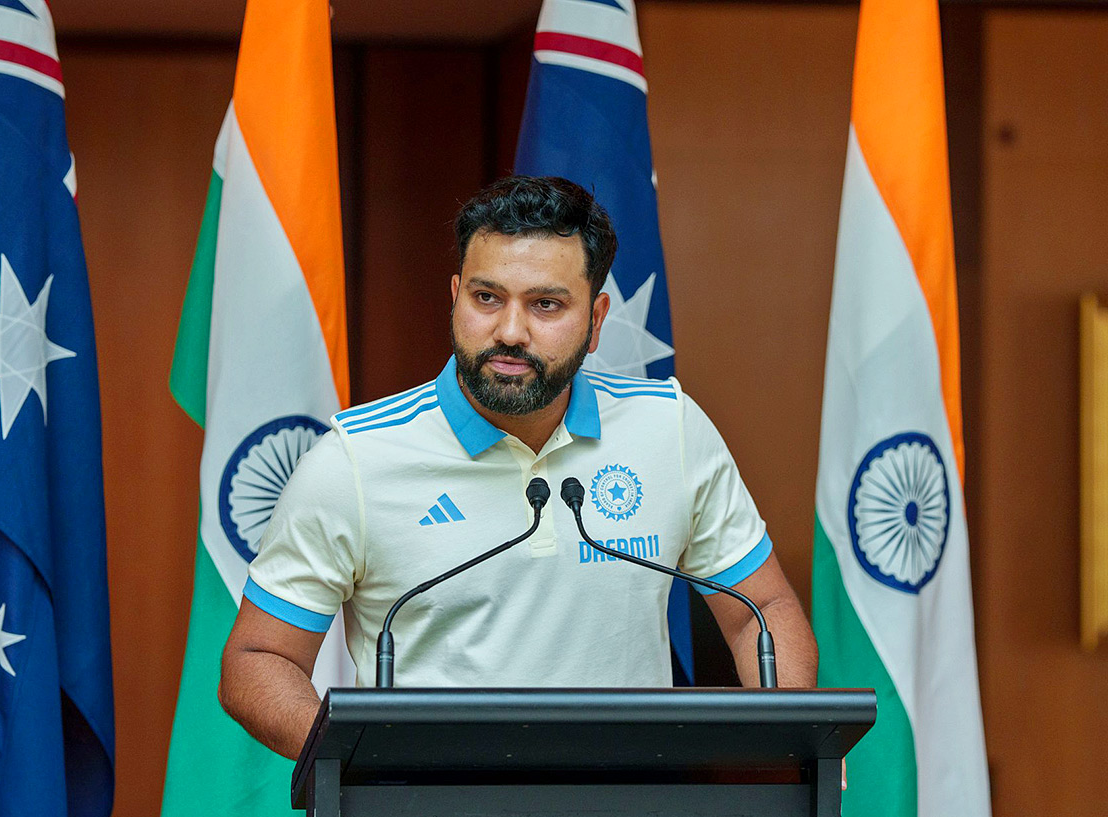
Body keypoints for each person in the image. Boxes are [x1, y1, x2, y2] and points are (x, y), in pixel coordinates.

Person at [219, 176, 818, 759]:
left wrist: (795, 744)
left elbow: (762, 612)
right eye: (486, 298)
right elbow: (258, 660)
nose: (509, 331)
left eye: (546, 305)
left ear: (597, 319)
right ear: (455, 298)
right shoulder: (356, 460)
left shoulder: (671, 429)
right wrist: (358, 767)